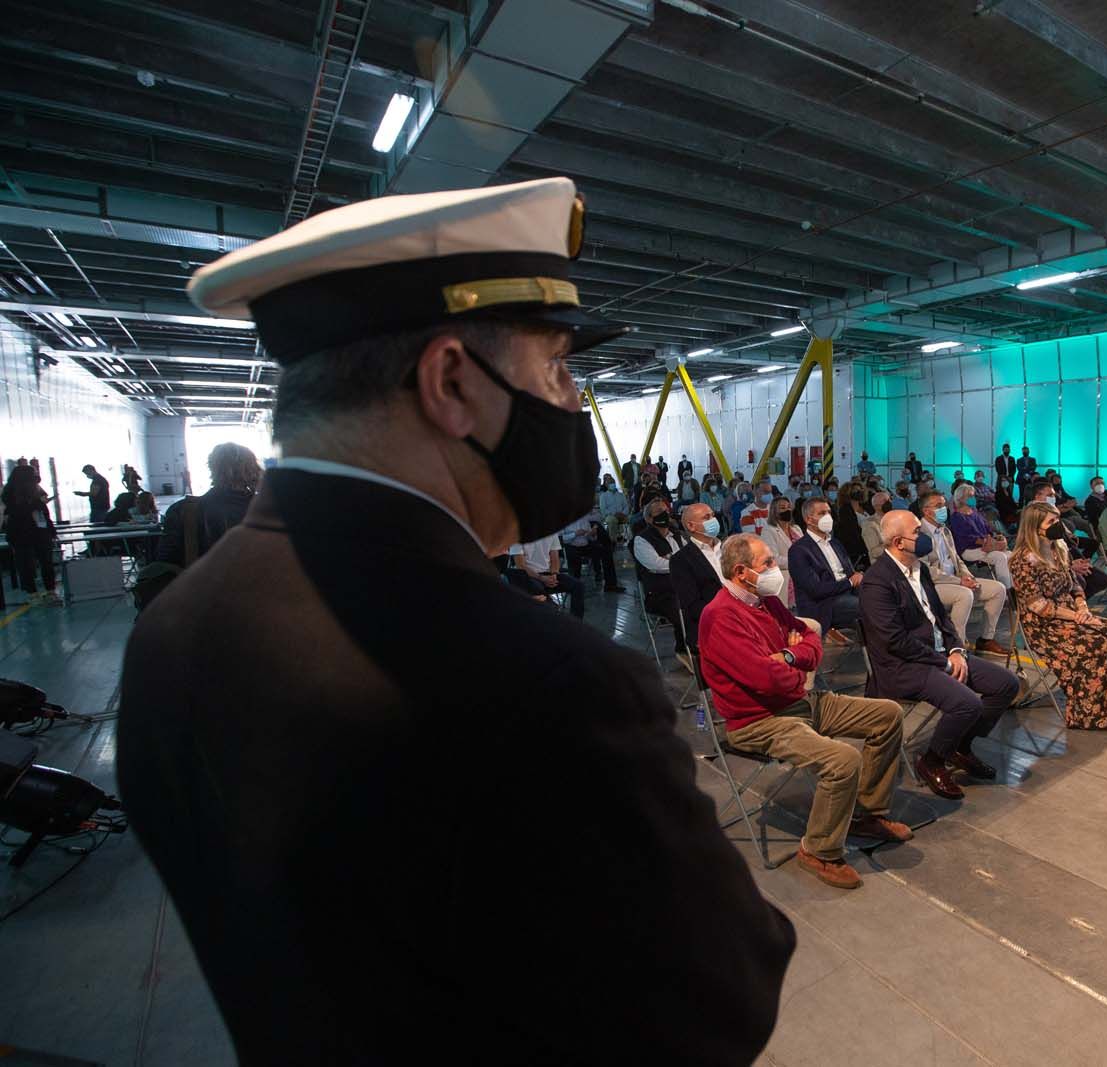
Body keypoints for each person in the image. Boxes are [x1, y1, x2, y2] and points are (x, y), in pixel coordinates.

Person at [116, 176, 793, 1064]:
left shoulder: (171, 633)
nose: (571, 403)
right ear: (449, 380)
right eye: (554, 367)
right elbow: (725, 992)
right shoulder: (544, 684)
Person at [699, 534, 912, 889]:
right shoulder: (719, 616)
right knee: (843, 760)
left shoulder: (765, 601)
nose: (775, 568)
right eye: (766, 563)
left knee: (887, 715)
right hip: (759, 721)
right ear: (741, 572)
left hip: (796, 702)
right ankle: (818, 850)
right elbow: (765, 679)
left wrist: (788, 656)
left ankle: (865, 813)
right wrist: (795, 663)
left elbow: (811, 637)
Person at [860, 511, 1020, 799]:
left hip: (940, 654)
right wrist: (944, 662)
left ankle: (959, 745)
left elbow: (941, 618)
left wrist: (957, 648)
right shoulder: (877, 581)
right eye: (917, 531)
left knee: (1006, 684)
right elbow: (894, 640)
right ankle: (932, 761)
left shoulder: (919, 569)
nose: (923, 536)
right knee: (967, 703)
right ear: (898, 542)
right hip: (903, 666)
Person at [1010, 502, 1107, 735]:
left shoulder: (1057, 548)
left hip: (1071, 614)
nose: (1058, 525)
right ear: (1035, 527)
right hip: (1045, 626)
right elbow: (1037, 605)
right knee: (1098, 645)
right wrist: (1077, 616)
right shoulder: (1022, 560)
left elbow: (1074, 584)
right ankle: (1098, 716)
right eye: (1051, 522)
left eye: (1058, 519)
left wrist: (1082, 606)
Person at [916, 491, 1007, 656]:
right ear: (926, 511)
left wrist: (967, 576)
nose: (944, 508)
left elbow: (957, 559)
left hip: (956, 580)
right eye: (938, 506)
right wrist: (959, 582)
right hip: (933, 584)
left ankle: (986, 639)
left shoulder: (945, 530)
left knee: (998, 589)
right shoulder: (918, 533)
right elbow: (926, 569)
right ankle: (957, 646)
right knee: (965, 594)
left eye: (944, 505)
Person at [155, 443, 262, 565]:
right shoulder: (271, 511)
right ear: (253, 470)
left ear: (212, 468)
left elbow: (165, 563)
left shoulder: (182, 510)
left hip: (203, 582)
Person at [788, 497, 862, 642]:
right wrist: (849, 583)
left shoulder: (835, 543)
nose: (828, 517)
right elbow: (816, 590)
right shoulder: (799, 550)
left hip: (848, 591)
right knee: (869, 607)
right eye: (822, 513)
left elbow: (851, 573)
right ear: (809, 520)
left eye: (828, 512)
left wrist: (859, 578)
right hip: (824, 604)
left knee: (885, 597)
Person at [633, 495, 692, 669]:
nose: (665, 514)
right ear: (649, 519)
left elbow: (690, 556)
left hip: (682, 587)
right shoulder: (642, 540)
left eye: (666, 510)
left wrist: (674, 562)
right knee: (682, 609)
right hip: (660, 594)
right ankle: (684, 650)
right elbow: (655, 564)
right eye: (659, 512)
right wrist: (680, 564)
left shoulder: (678, 535)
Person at [669, 502, 724, 655]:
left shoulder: (729, 547)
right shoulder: (681, 560)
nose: (713, 520)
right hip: (713, 622)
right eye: (707, 517)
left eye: (713, 516)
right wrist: (728, 614)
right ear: (691, 526)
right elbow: (693, 605)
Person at [2, 461, 59, 603]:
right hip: (33, 531)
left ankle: (35, 593)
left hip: (23, 532)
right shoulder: (17, 492)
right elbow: (36, 510)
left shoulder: (12, 491)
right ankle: (48, 591)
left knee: (27, 564)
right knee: (42, 562)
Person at [948, 482, 1011, 586]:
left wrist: (997, 538)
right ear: (960, 498)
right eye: (970, 496)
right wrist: (989, 543)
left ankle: (1014, 587)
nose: (973, 498)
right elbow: (967, 538)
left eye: (973, 496)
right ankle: (1006, 590)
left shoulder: (976, 514)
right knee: (1000, 557)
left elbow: (988, 529)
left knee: (1010, 555)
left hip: (985, 546)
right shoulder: (957, 517)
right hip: (969, 549)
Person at [511, 531, 586, 618]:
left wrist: (554, 574)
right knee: (539, 591)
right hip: (527, 576)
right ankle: (553, 617)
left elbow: (555, 558)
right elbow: (521, 566)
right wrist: (541, 578)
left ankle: (576, 622)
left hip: (548, 574)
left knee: (578, 586)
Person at [561, 508, 622, 592]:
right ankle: (575, 587)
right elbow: (561, 539)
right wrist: (574, 534)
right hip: (572, 546)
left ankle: (610, 585)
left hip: (585, 545)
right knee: (574, 559)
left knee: (606, 552)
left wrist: (592, 534)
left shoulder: (583, 517)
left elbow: (590, 537)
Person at [760, 495, 803, 608]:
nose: (787, 510)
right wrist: (798, 562)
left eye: (789, 507)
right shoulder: (768, 530)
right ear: (774, 511)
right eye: (783, 508)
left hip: (802, 577)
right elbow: (773, 559)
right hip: (785, 578)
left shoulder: (797, 528)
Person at [833, 483, 871, 569]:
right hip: (857, 548)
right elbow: (851, 531)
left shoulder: (866, 507)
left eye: (860, 490)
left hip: (869, 543)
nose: (858, 492)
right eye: (855, 490)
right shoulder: (845, 510)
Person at [860, 490, 890, 562]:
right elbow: (874, 552)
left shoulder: (894, 518)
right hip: (882, 563)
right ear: (876, 506)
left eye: (889, 500)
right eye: (885, 501)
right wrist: (892, 545)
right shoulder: (869, 524)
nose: (889, 503)